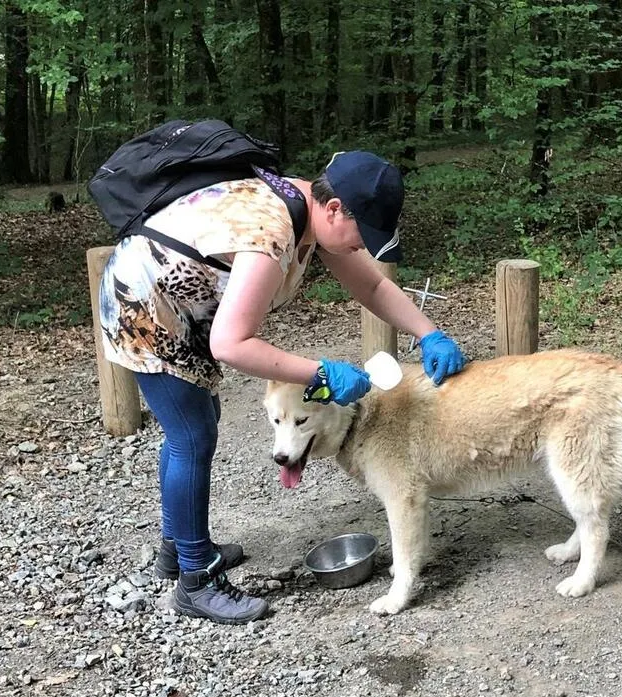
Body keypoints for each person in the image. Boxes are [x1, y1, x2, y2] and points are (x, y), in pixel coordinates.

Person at [97, 150, 466, 625]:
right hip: (146, 307)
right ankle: (195, 580)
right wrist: (319, 373)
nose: (363, 247)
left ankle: (178, 549)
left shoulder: (308, 209)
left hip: (180, 303)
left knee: (197, 423)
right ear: (335, 210)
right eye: (364, 235)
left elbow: (373, 288)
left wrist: (428, 332)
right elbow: (231, 344)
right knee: (192, 436)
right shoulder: (270, 233)